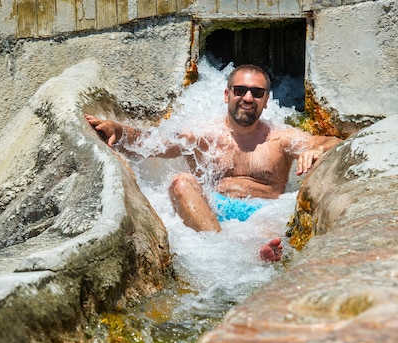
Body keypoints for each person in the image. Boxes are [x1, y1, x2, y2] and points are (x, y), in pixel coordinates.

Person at [85, 64, 342, 262]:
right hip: (211, 210)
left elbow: (334, 141)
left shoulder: (281, 138)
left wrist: (318, 150)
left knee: (280, 218)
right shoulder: (204, 135)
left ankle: (260, 254)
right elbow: (156, 144)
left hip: (263, 212)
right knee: (181, 182)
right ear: (227, 94)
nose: (248, 97)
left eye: (257, 92)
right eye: (240, 90)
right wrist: (119, 131)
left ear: (266, 99)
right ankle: (221, 253)